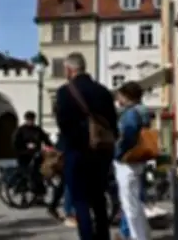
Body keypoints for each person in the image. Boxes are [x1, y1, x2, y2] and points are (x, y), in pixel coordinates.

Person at [55, 52, 118, 240]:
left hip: (77, 152)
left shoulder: (65, 92)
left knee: (80, 201)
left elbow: (63, 124)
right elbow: (113, 123)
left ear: (69, 69)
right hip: (102, 152)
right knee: (99, 199)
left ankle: (87, 237)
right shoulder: (103, 91)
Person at [113, 82, 151, 240]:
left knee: (129, 204)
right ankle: (142, 235)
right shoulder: (143, 111)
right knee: (136, 203)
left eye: (120, 95)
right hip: (138, 160)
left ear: (127, 96)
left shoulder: (130, 114)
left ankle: (137, 236)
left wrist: (116, 153)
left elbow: (127, 137)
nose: (118, 98)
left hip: (127, 162)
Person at [12, 111, 53, 198]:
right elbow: (15, 143)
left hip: (36, 155)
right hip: (24, 155)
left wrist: (51, 147)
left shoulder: (37, 130)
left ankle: (39, 195)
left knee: (38, 174)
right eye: (29, 119)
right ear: (26, 119)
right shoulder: (21, 130)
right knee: (25, 174)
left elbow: (45, 139)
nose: (30, 121)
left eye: (32, 119)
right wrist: (24, 149)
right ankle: (23, 195)